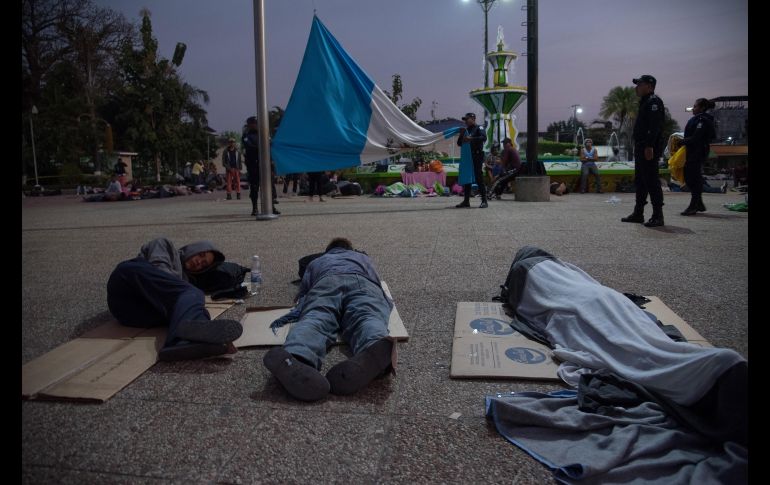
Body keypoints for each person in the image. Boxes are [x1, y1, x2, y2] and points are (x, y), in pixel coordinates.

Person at [263, 237, 394, 401]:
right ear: (350, 249)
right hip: (362, 282)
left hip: (326, 281)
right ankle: (374, 344)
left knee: (316, 318)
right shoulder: (363, 258)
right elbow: (375, 280)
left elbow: (304, 290)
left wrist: (303, 304)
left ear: (328, 250)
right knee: (366, 316)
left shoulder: (318, 261)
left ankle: (296, 354)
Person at [106, 238, 244, 361]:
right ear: (194, 249)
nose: (199, 262)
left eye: (204, 264)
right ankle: (180, 340)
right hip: (126, 284)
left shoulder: (186, 284)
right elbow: (159, 269)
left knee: (195, 308)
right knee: (193, 295)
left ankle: (190, 342)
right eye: (201, 255)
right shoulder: (165, 245)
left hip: (132, 315)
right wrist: (185, 290)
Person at [622, 74, 666, 227]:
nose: (637, 87)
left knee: (652, 181)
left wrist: (649, 146)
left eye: (640, 84)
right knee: (640, 181)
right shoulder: (645, 102)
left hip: (648, 147)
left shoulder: (654, 102)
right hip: (641, 146)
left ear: (649, 86)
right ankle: (638, 212)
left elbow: (655, 127)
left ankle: (658, 215)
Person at [680, 98, 717, 215]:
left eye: (695, 106)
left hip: (697, 151)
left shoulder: (703, 120)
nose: (693, 108)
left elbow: (697, 137)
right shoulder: (697, 119)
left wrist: (682, 141)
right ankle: (699, 203)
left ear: (702, 108)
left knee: (692, 177)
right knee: (691, 177)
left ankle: (694, 204)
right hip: (692, 151)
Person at [242, 116, 280, 216]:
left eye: (256, 123)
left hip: (266, 164)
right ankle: (255, 208)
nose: (255, 125)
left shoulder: (264, 133)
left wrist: (271, 160)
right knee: (254, 186)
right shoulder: (246, 136)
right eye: (253, 123)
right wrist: (263, 146)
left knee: (269, 186)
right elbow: (249, 147)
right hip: (253, 164)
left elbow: (271, 145)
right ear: (249, 125)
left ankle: (271, 207)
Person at [455, 112, 488, 208]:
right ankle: (466, 201)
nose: (465, 121)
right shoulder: (465, 130)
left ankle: (484, 201)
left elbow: (483, 137)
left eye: (467, 119)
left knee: (478, 178)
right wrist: (461, 135)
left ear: (473, 119)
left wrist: (471, 139)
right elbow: (459, 143)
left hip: (477, 156)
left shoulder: (479, 128)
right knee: (467, 178)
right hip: (468, 157)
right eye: (464, 119)